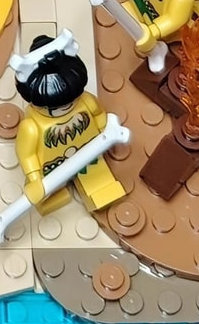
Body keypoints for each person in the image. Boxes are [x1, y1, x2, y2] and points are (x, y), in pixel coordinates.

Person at [11, 33, 127, 216]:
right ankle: (52, 198)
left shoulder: (86, 101)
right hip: (51, 167)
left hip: (88, 153)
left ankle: (100, 192)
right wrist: (34, 178)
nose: (65, 107)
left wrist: (105, 133)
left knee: (103, 188)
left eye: (71, 101)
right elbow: (27, 155)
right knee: (45, 193)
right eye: (56, 107)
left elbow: (98, 116)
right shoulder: (32, 127)